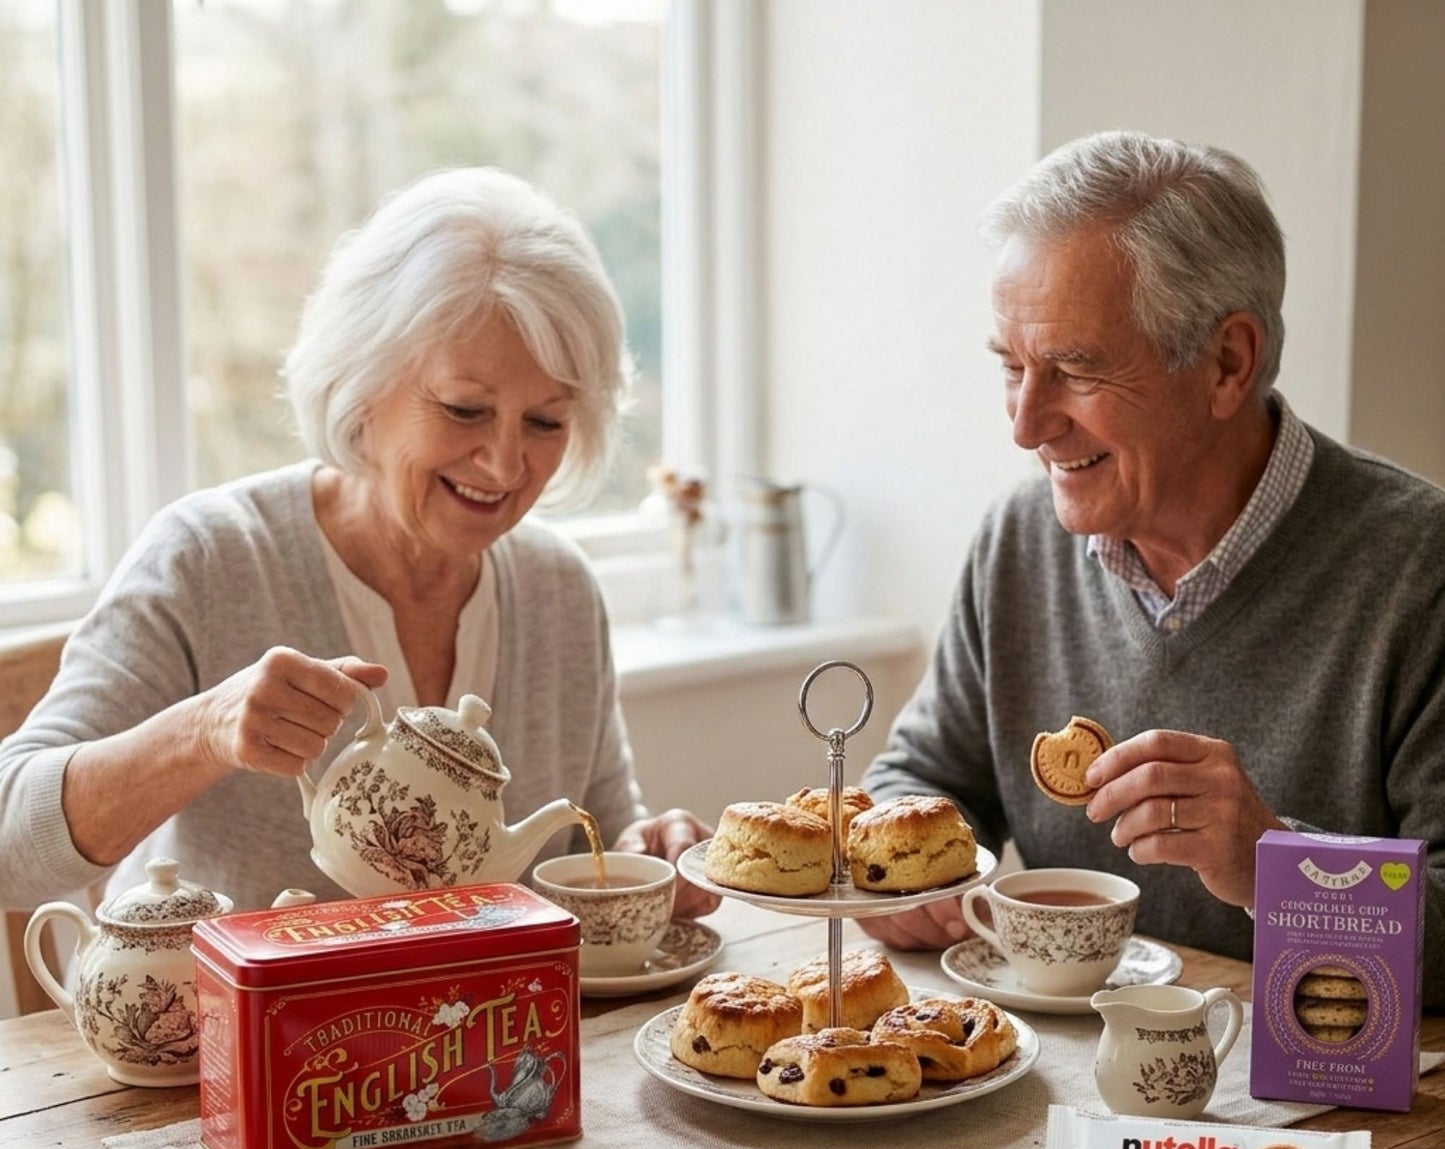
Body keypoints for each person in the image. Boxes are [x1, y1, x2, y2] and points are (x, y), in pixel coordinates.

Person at [0, 167, 716, 918]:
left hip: (490, 1033)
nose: (506, 464)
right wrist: (202, 731)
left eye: (545, 422)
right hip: (227, 1036)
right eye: (465, 409)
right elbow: (10, 853)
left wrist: (646, 854)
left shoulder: (557, 587)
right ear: (361, 381)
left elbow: (585, 840)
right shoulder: (209, 557)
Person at [859, 131, 1445, 1004]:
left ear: (1226, 363)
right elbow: (922, 780)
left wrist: (1273, 863)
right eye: (1012, 368)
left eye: (1074, 370)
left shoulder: (1417, 567)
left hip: (1325, 1110)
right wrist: (899, 875)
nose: (1025, 425)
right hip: (1060, 1086)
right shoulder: (1019, 539)